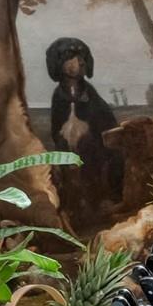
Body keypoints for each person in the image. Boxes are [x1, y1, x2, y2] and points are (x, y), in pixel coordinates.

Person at [45, 37, 121, 214]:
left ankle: (102, 201)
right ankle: (70, 204)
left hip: (103, 172)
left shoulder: (94, 102)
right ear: (58, 62)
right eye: (70, 55)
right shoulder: (58, 100)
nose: (79, 61)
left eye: (82, 56)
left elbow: (107, 150)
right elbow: (59, 143)